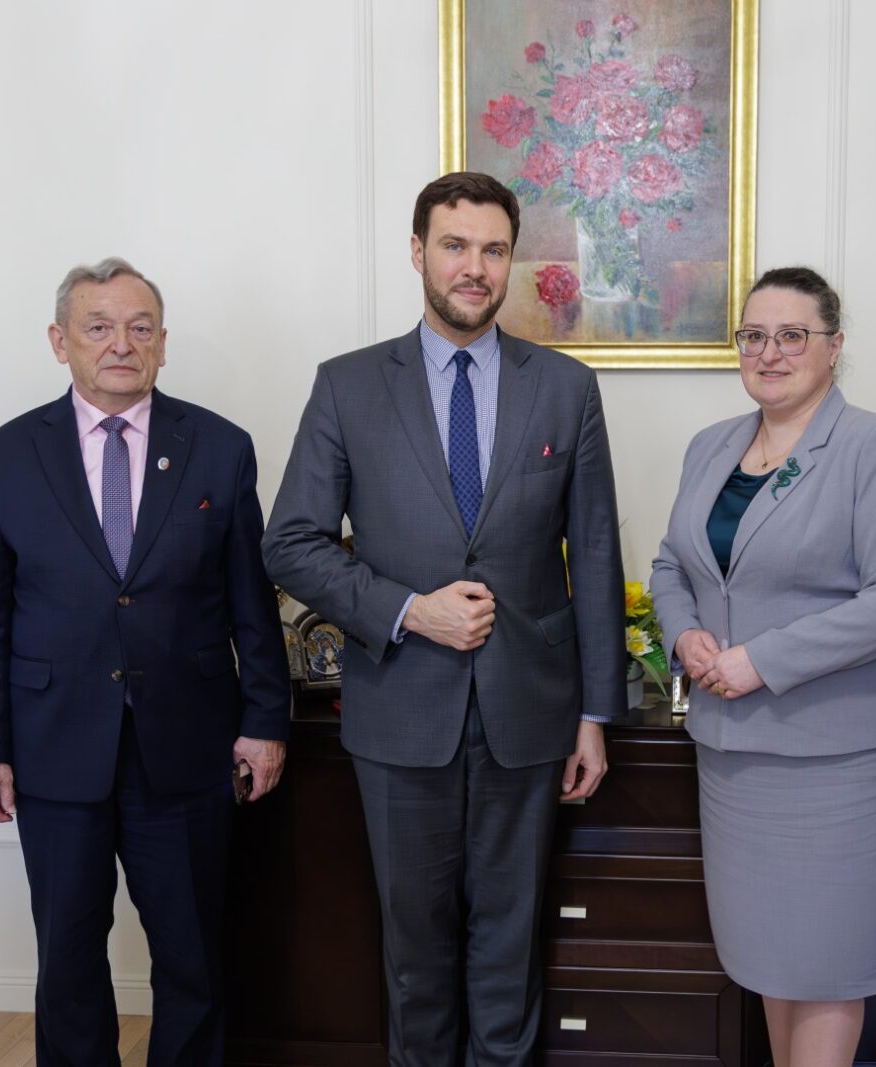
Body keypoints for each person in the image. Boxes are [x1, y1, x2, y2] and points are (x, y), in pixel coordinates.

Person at [262, 171, 624, 1067]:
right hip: (399, 713)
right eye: (456, 246)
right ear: (419, 252)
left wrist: (595, 714)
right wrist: (408, 610)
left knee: (510, 950)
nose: (475, 267)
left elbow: (596, 555)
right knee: (414, 959)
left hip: (530, 718)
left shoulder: (566, 388)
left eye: (494, 250)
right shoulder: (347, 386)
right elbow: (291, 543)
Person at [0, 257, 291, 1065]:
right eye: (99, 327)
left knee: (192, 956)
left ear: (163, 344)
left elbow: (251, 601)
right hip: (54, 747)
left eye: (141, 328)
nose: (121, 344)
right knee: (68, 961)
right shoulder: (4, 455)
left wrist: (266, 722)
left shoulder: (219, 447)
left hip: (186, 747)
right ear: (59, 341)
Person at [649, 267, 876, 1067]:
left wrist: (761, 660)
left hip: (838, 761)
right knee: (773, 958)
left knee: (828, 960)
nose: (769, 352)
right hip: (735, 758)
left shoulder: (873, 445)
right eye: (754, 335)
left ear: (833, 347)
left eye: (792, 335)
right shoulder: (711, 446)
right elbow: (671, 565)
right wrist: (684, 635)